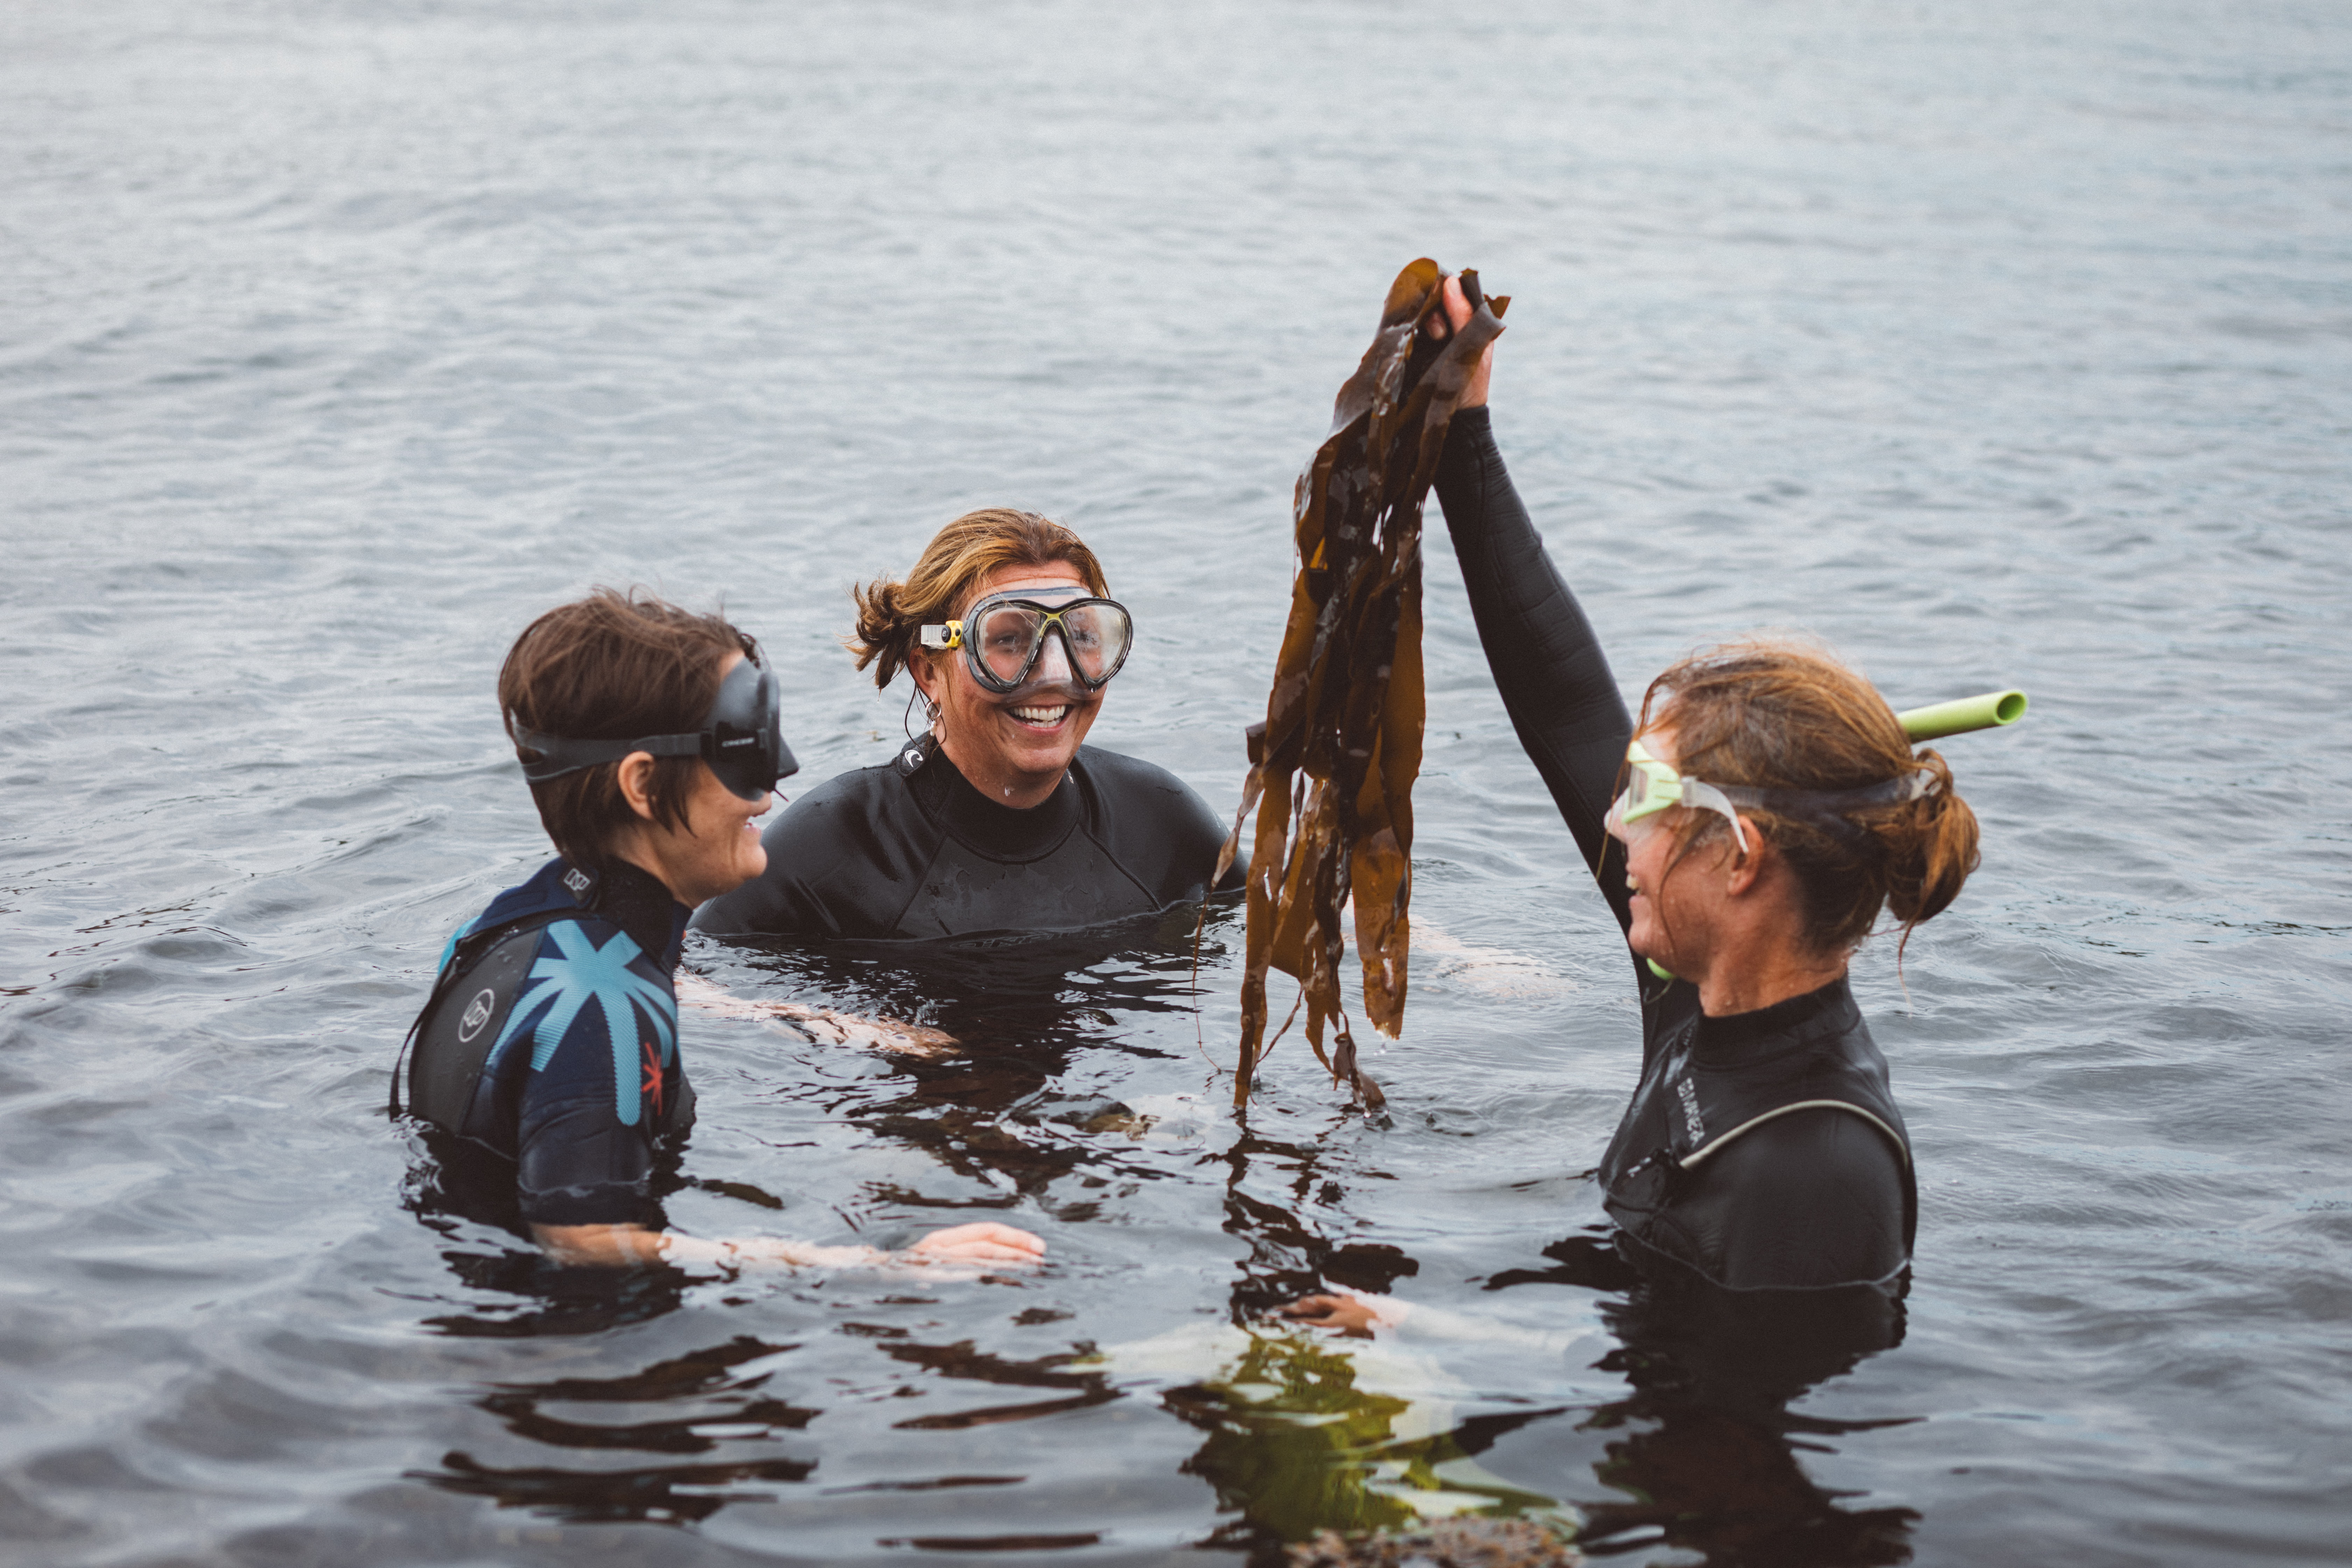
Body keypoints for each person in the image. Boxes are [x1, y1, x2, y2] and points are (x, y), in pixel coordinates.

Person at [1296, 276, 1980, 1310]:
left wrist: (1440, 1353)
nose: (1614, 819)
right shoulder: (1709, 996)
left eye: (1649, 797)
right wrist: (1462, 429)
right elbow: (1569, 712)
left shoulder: (1813, 1168)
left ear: (1740, 856)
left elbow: (1717, 1456)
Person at [394, 588, 1046, 1273]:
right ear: (643, 786)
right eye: (742, 747)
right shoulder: (607, 1003)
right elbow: (585, 1240)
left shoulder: (510, 924)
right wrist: (881, 1264)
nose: (771, 788)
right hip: (576, 1356)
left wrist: (792, 1017)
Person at [694, 508, 1244, 941]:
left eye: (1080, 637)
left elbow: (1282, 926)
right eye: (1007, 641)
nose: (1055, 675)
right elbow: (687, 981)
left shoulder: (1162, 823)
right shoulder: (827, 855)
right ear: (928, 670)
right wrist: (851, 1031)